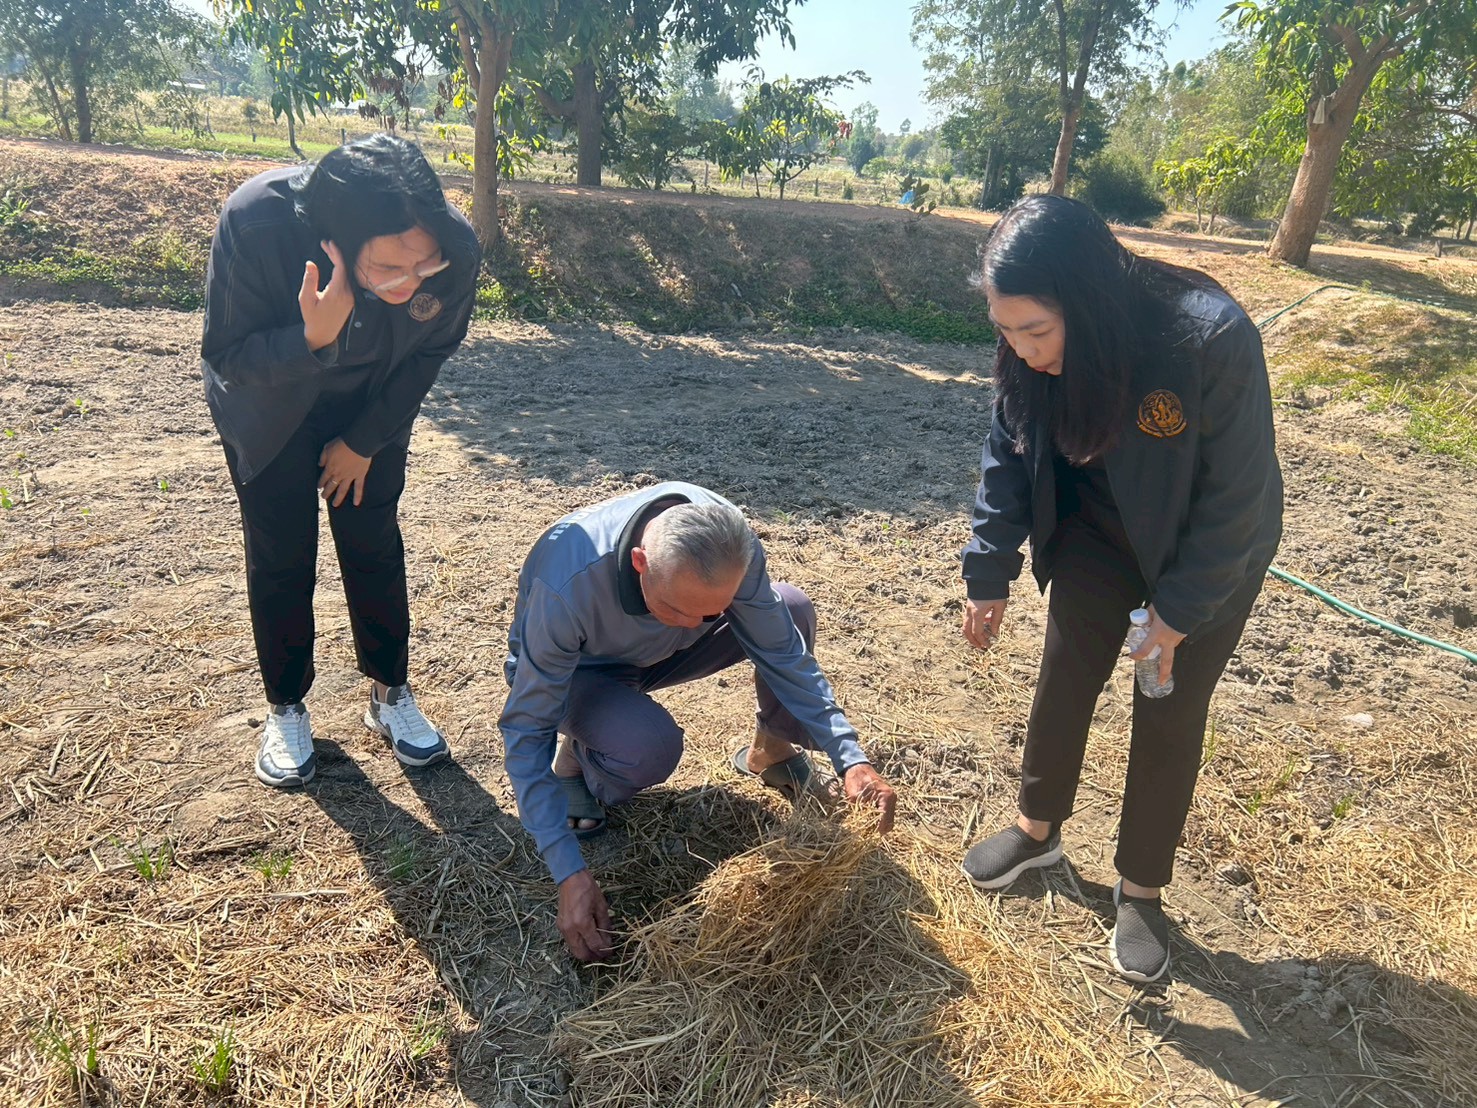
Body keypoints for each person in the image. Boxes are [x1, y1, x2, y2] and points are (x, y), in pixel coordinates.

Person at [958, 196, 1283, 984]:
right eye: (1006, 331)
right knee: (1065, 675)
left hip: (1199, 555)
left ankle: (1141, 887)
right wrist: (988, 566)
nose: (1022, 350)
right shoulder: (1027, 358)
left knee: (1167, 708)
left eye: (1037, 331)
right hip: (1094, 539)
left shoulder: (1205, 337)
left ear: (1090, 302)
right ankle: (1037, 829)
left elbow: (1235, 502)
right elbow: (1010, 446)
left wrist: (1174, 617)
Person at [500, 482, 899, 962]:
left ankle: (769, 750)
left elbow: (780, 652)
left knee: (789, 609)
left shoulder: (730, 541)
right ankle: (580, 760)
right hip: (577, 674)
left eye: (712, 611)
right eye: (676, 608)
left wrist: (849, 757)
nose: (695, 625)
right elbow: (527, 729)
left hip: (654, 655)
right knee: (650, 747)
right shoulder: (566, 584)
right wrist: (567, 869)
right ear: (640, 564)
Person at [200, 134, 482, 788]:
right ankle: (287, 706)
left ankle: (389, 694)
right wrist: (311, 337)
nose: (412, 282)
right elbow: (228, 355)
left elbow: (428, 352)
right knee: (282, 552)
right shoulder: (256, 222)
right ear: (334, 242)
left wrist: (364, 441)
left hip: (369, 408)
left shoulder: (454, 250)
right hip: (271, 407)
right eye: (389, 269)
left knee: (372, 540)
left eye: (424, 266)